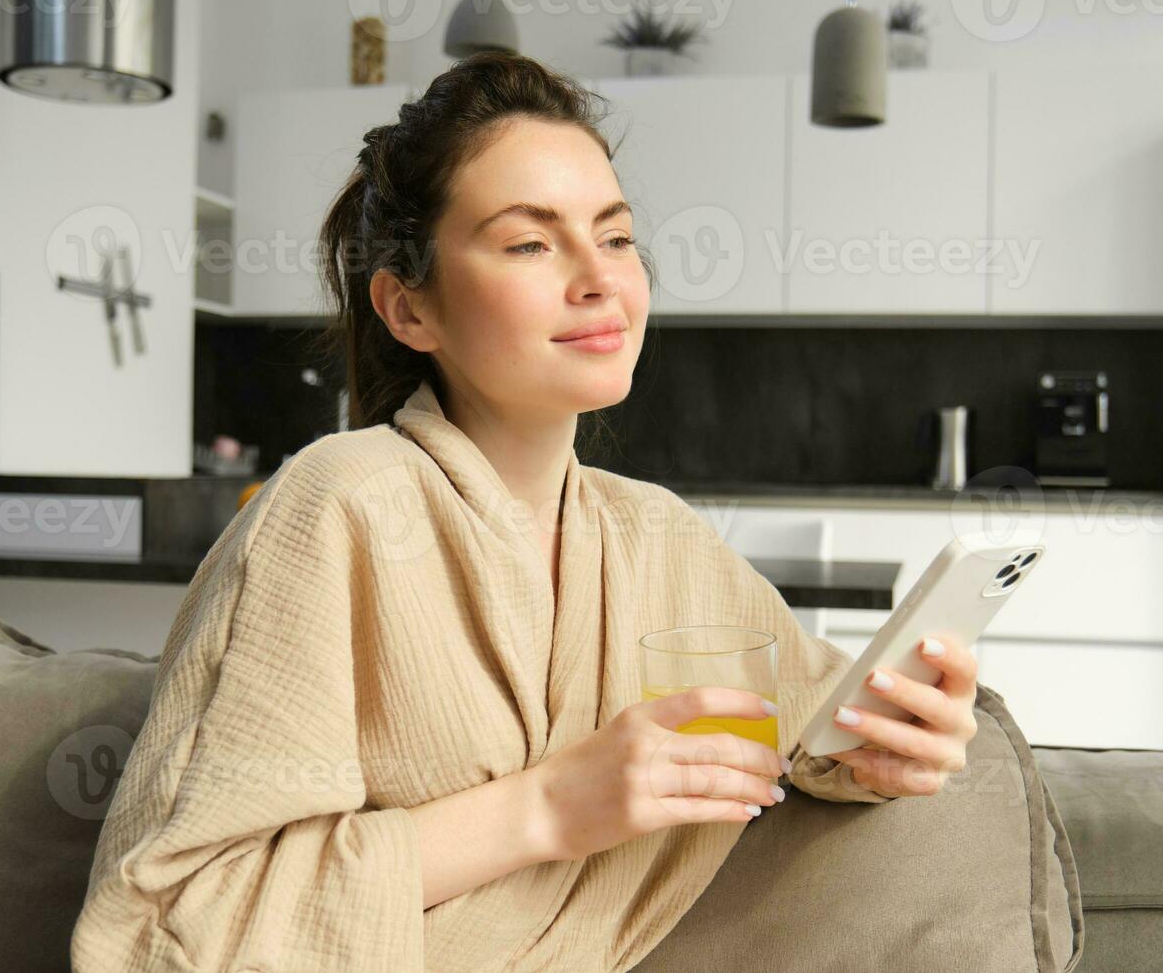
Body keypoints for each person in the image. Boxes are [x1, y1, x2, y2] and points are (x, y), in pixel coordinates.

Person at [71, 52, 981, 972]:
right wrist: (548, 806)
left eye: (618, 237)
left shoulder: (657, 536)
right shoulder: (338, 506)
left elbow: (809, 716)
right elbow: (173, 923)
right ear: (408, 309)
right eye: (529, 243)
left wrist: (882, 748)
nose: (600, 279)